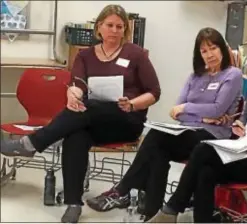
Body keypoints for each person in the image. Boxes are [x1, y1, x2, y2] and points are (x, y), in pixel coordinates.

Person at [0, 4, 160, 223]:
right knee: (76, 135)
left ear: (125, 30)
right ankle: (73, 203)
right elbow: (77, 84)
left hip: (126, 118)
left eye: (120, 27)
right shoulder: (85, 56)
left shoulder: (136, 54)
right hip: (93, 120)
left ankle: (32, 143)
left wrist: (132, 104)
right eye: (110, 25)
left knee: (89, 107)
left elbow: (154, 92)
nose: (115, 30)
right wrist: (73, 95)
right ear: (99, 28)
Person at [146, 19, 247, 223]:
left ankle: (171, 209)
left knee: (202, 151)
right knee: (205, 171)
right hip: (246, 149)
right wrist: (241, 123)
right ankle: (176, 213)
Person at [86, 27, 243, 221]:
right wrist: (200, 115)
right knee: (158, 150)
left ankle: (123, 189)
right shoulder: (195, 76)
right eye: (204, 51)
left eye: (213, 48)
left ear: (222, 49)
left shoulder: (232, 74)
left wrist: (189, 109)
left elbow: (217, 109)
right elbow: (176, 111)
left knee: (156, 138)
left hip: (214, 137)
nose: (209, 54)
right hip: (190, 132)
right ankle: (152, 214)